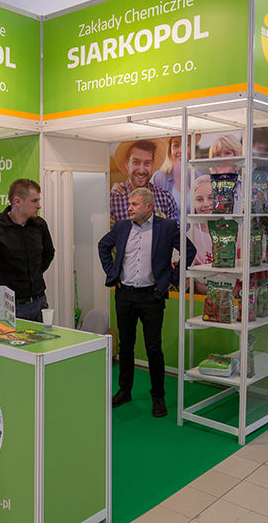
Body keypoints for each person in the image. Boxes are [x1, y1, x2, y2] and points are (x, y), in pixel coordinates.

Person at [98, 187, 194, 418]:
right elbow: (103, 246)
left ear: (148, 207)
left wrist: (171, 280)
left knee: (153, 348)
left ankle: (158, 397)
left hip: (152, 296)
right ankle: (124, 391)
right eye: (129, 204)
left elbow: (189, 251)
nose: (129, 208)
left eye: (134, 204)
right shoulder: (121, 226)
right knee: (125, 346)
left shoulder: (167, 227)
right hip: (124, 295)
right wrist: (112, 273)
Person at [0, 179, 55, 321]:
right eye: (34, 201)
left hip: (39, 303)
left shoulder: (39, 225)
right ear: (17, 201)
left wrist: (34, 273)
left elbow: (49, 253)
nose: (39, 206)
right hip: (9, 306)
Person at [110, 139, 178, 226]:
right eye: (136, 162)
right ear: (127, 164)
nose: (141, 170)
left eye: (147, 163)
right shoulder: (114, 200)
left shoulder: (165, 199)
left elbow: (174, 233)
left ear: (152, 165)